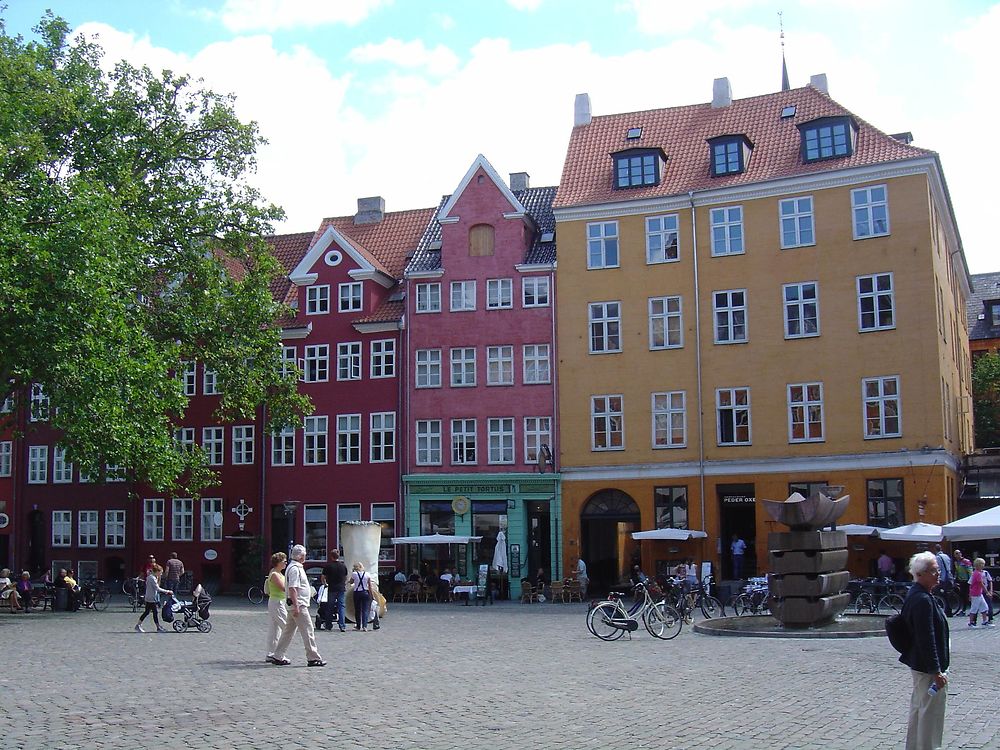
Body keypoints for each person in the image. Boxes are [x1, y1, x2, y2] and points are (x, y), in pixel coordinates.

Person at [899, 551, 949, 750]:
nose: (938, 574)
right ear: (921, 574)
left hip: (920, 664)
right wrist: (936, 670)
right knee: (930, 714)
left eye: (937, 570)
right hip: (927, 668)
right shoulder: (922, 599)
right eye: (934, 571)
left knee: (920, 709)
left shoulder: (918, 594)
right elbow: (926, 637)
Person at [271, 545, 325, 666]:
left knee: (288, 631)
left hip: (296, 604)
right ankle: (313, 657)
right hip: (299, 605)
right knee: (308, 630)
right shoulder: (295, 569)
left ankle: (278, 655)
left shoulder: (294, 567)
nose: (306, 556)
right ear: (300, 556)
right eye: (304, 554)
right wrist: (296, 606)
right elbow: (293, 588)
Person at [264, 552, 287, 663]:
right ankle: (279, 654)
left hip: (278, 602)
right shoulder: (275, 574)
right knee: (287, 627)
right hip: (277, 603)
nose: (286, 563)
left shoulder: (279, 573)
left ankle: (270, 653)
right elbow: (283, 588)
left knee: (274, 630)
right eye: (284, 561)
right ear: (278, 563)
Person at [135, 563, 171, 633]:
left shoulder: (151, 577)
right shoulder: (152, 578)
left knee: (147, 612)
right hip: (151, 598)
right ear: (157, 571)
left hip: (149, 597)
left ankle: (138, 625)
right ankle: (158, 627)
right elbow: (157, 588)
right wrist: (167, 591)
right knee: (154, 612)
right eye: (160, 573)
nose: (161, 574)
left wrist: (158, 578)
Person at [321, 549, 348, 632]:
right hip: (341, 588)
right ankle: (342, 625)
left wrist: (325, 584)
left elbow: (323, 577)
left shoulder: (328, 566)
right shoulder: (343, 566)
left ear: (331, 556)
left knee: (330, 606)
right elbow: (346, 577)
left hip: (332, 588)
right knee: (341, 607)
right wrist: (344, 583)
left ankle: (328, 625)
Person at [967, 558, 993, 627]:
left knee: (984, 607)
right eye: (982, 564)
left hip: (979, 593)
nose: (983, 566)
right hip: (975, 594)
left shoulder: (977, 573)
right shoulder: (977, 573)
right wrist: (987, 592)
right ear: (978, 565)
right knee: (974, 608)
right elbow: (981, 584)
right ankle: (971, 622)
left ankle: (985, 621)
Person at [349, 562, 374, 631]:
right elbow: (370, 586)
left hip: (357, 593)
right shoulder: (367, 574)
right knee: (365, 610)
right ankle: (365, 626)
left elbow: (351, 582)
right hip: (365, 592)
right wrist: (372, 595)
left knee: (357, 610)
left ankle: (358, 625)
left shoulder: (354, 574)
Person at [952, 549, 971, 616]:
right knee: (963, 596)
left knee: (968, 595)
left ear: (961, 554)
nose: (957, 555)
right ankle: (964, 610)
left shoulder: (966, 561)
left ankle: (968, 610)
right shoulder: (956, 562)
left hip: (967, 581)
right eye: (955, 554)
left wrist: (971, 581)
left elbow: (970, 571)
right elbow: (956, 571)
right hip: (961, 581)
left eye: (958, 553)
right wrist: (954, 579)